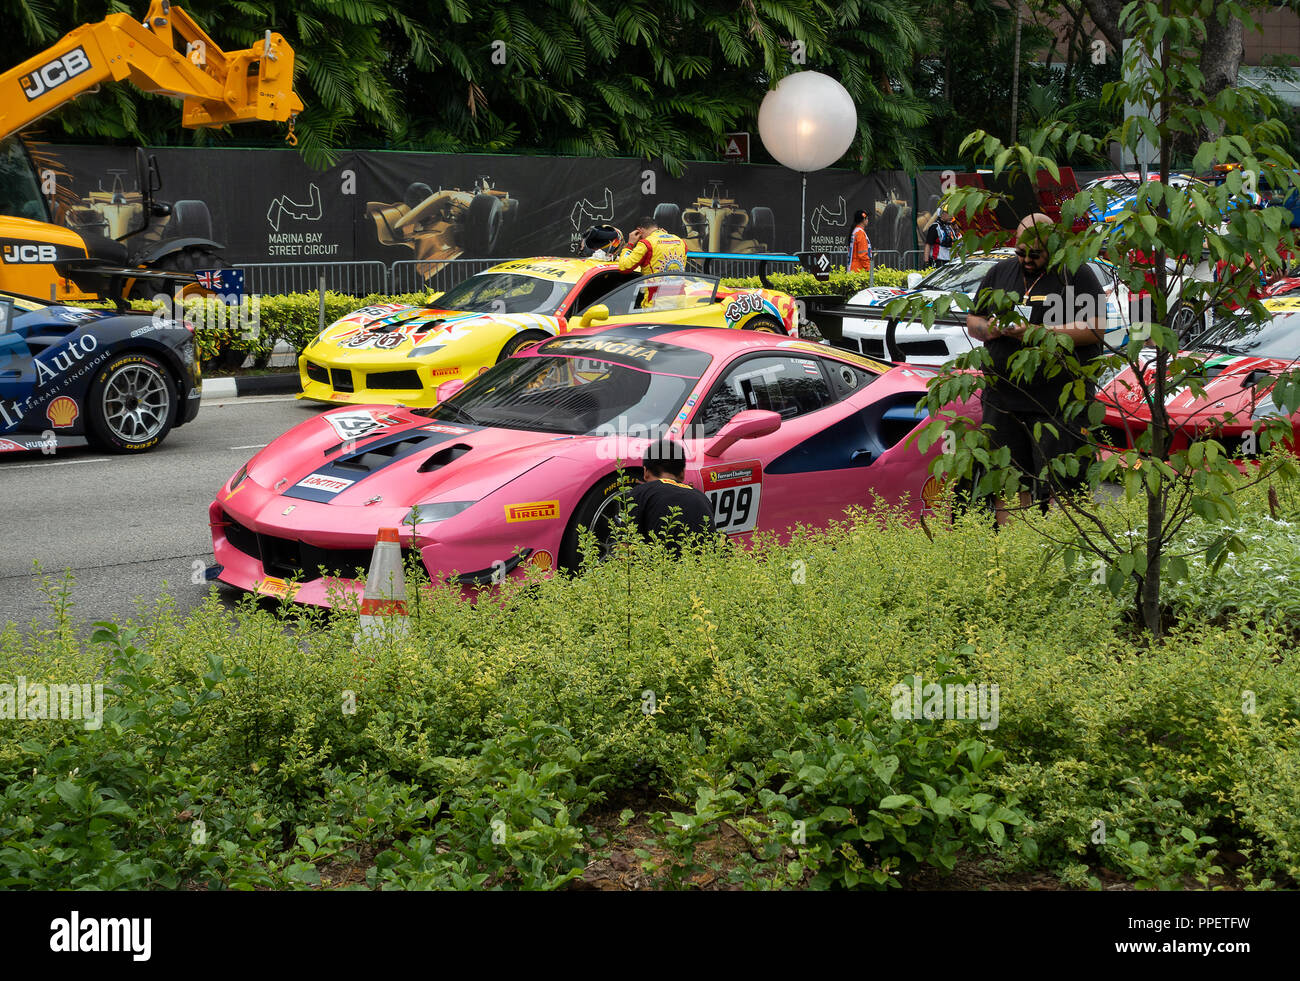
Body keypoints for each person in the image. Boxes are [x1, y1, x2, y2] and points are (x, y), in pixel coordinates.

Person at [965, 213, 1107, 525]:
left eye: (1035, 254)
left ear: (1052, 245)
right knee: (1007, 479)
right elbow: (973, 321)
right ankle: (1017, 549)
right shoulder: (1000, 273)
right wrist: (993, 329)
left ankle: (1067, 548)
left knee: (1064, 482)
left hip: (1058, 402)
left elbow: (1096, 328)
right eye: (1020, 252)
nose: (1026, 260)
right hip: (1004, 398)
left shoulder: (1075, 273)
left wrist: (1036, 332)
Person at [629, 438, 714, 552]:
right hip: (702, 567)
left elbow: (624, 549)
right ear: (683, 473)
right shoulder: (702, 498)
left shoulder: (641, 492)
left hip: (661, 566)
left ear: (645, 472)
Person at [617, 217, 687, 274]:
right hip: (679, 290)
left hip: (656, 291)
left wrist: (630, 245)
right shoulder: (680, 241)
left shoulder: (646, 243)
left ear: (639, 231)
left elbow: (624, 267)